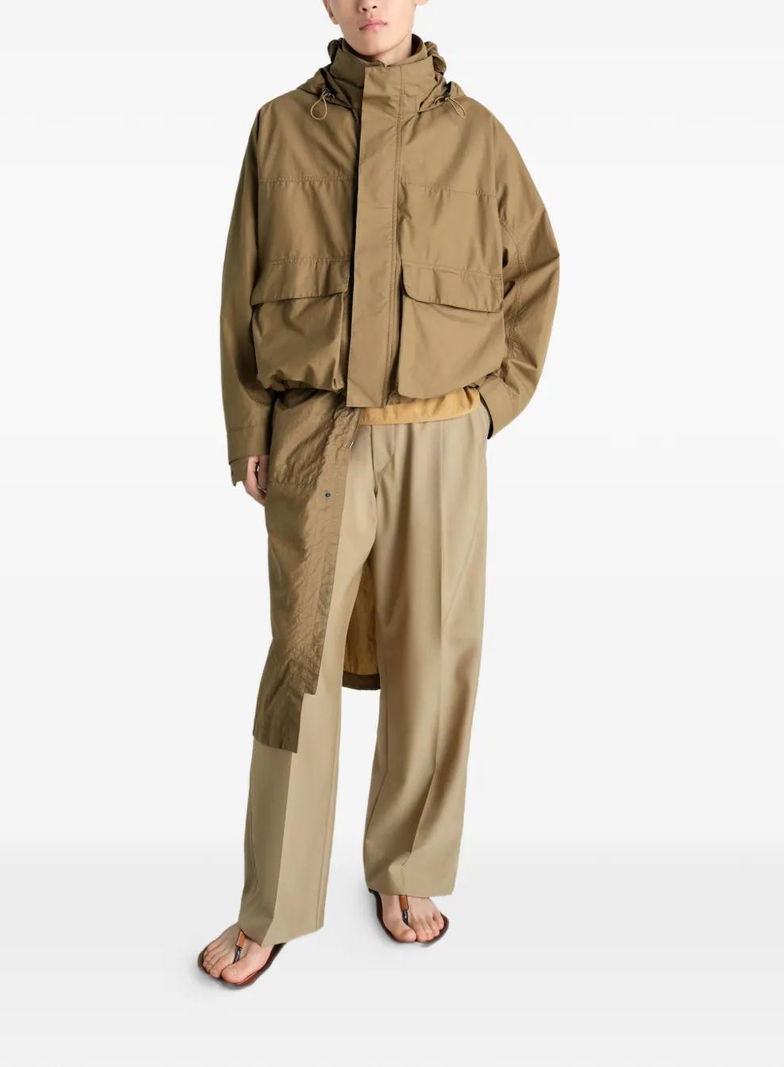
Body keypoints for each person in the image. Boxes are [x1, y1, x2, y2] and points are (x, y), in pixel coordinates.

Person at [198, 0, 560, 987]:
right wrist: (249, 428)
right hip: (317, 433)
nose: (369, 2)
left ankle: (408, 868)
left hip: (442, 432)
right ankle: (273, 903)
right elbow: (238, 289)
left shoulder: (477, 134)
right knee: (299, 664)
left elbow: (534, 269)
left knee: (434, 659)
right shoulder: (280, 127)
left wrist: (492, 404)